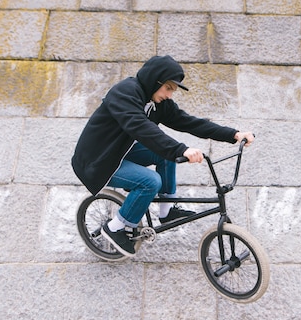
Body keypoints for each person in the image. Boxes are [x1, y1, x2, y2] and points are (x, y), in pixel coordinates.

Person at [72, 55, 254, 257]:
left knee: (165, 156)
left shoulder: (158, 102)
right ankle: (115, 228)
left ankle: (166, 211)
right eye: (168, 88)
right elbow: (140, 126)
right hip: (98, 159)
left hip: (122, 148)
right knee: (150, 181)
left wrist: (234, 134)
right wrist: (181, 149)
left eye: (173, 91)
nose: (169, 95)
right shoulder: (124, 93)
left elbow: (190, 122)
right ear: (155, 80)